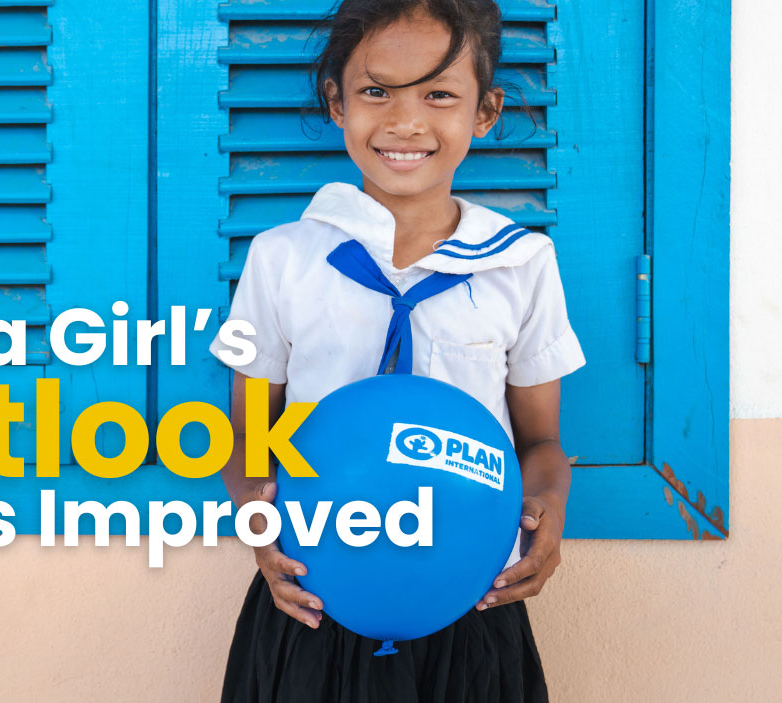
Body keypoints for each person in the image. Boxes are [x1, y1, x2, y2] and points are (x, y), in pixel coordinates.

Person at [208, 0, 586, 700]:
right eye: (376, 91)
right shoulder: (283, 259)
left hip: (471, 607)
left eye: (439, 94)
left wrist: (549, 506)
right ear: (337, 103)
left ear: (485, 110)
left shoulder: (522, 265)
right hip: (315, 607)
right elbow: (246, 436)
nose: (405, 122)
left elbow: (540, 440)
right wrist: (257, 518)